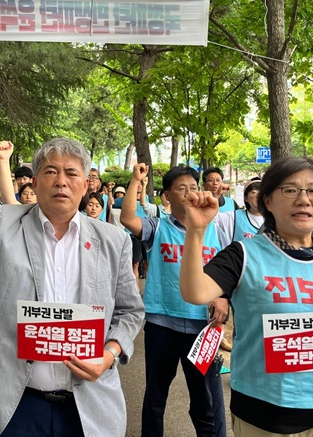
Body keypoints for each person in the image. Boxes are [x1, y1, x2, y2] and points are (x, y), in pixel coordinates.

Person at [0, 130, 144, 437]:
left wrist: (108, 355)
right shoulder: (5, 224)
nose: (61, 181)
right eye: (50, 172)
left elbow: (130, 311)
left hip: (88, 403)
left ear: (85, 184)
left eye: (71, 173)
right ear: (35, 182)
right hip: (18, 401)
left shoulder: (113, 240)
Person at [180, 157, 313, 436]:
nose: (304, 200)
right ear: (267, 200)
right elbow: (195, 291)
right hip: (265, 415)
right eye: (290, 190)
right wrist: (196, 231)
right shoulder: (244, 253)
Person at [121, 163, 227, 437]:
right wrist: (135, 181)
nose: (189, 192)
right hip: (161, 325)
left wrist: (224, 298)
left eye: (193, 187)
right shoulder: (157, 227)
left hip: (201, 328)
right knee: (156, 397)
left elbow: (228, 271)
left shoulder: (216, 228)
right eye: (181, 188)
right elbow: (127, 219)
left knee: (204, 401)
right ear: (167, 196)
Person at [214, 178, 264, 248]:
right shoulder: (233, 218)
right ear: (246, 198)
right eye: (254, 192)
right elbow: (211, 218)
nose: (258, 196)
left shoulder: (276, 220)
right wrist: (216, 196)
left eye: (261, 193)